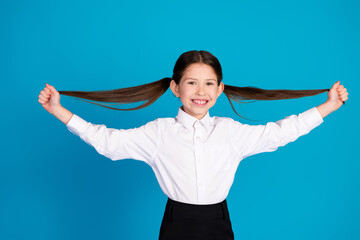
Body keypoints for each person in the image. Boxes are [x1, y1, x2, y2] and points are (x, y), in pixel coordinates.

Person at [38, 50, 348, 240]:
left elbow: (282, 131)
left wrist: (328, 106)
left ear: (220, 89)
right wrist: (59, 111)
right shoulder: (158, 133)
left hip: (219, 222)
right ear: (175, 88)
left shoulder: (231, 132)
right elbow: (107, 142)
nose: (201, 91)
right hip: (177, 224)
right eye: (191, 82)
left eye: (209, 83)